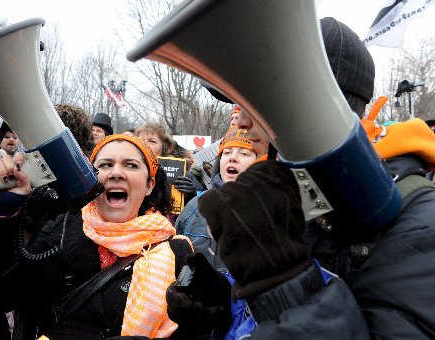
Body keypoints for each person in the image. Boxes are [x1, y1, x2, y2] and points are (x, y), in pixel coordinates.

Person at [166, 16, 435, 339]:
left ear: (306, 104)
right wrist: (225, 311)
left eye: (255, 101)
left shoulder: (422, 226)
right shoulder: (301, 194)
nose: (242, 123)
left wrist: (277, 277)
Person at [0, 134, 199, 339]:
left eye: (130, 165)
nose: (116, 173)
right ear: (89, 179)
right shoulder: (59, 233)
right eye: (106, 165)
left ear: (149, 185)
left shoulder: (175, 251)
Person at [175, 128, 257, 269]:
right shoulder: (195, 208)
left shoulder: (271, 210)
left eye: (244, 153)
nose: (232, 157)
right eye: (226, 152)